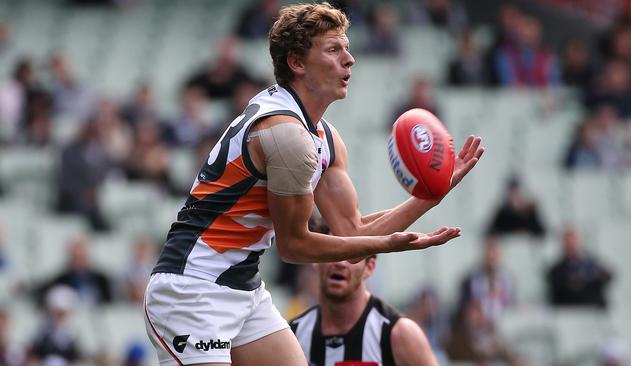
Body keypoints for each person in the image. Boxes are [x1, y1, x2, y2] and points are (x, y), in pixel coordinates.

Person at [143, 3, 484, 366]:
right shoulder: (287, 136)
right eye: (334, 49)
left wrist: (431, 195)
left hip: (242, 289)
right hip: (191, 290)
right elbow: (294, 245)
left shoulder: (324, 138)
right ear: (297, 63)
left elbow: (350, 236)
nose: (350, 59)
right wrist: (387, 244)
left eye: (347, 48)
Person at [290, 217, 439, 366]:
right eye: (333, 253)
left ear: (370, 267)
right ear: (315, 260)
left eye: (352, 255)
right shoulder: (293, 335)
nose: (340, 263)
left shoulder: (399, 334)